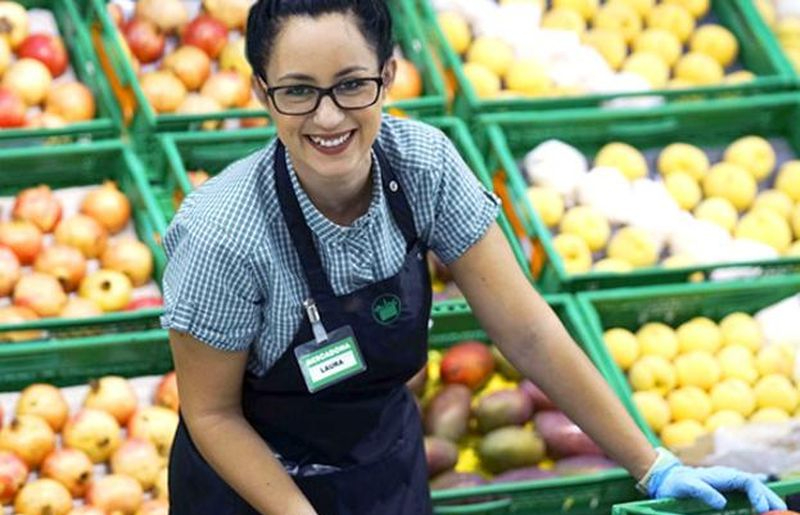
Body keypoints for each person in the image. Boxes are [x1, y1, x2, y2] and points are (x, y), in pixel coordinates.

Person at [159, 1, 788, 514]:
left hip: (384, 471)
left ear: (389, 74)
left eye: (352, 84)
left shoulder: (424, 166)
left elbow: (528, 330)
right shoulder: (223, 234)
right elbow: (212, 413)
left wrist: (652, 464)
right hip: (249, 492)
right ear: (262, 93)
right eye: (298, 91)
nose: (328, 116)